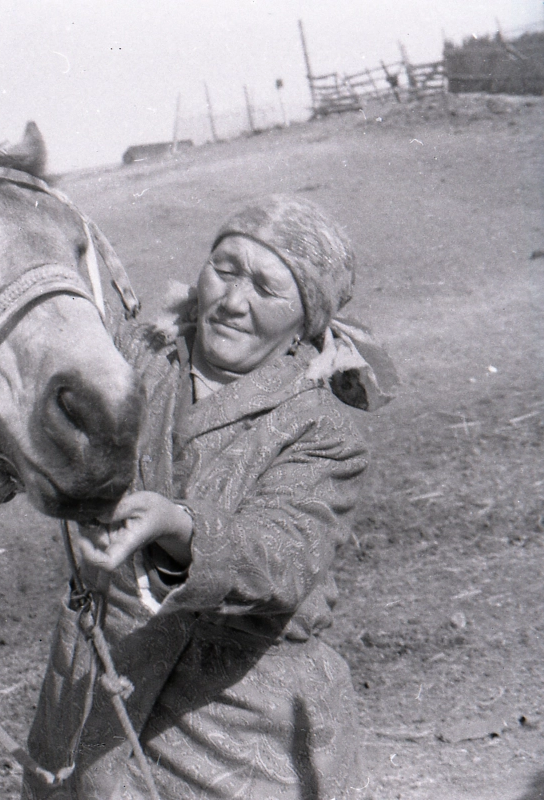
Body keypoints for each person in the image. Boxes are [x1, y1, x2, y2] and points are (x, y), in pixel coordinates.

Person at [24, 195, 394, 800]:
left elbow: (283, 555)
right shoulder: (131, 357)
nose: (232, 301)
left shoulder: (323, 431)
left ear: (305, 319)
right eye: (224, 268)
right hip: (93, 695)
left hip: (234, 727)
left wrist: (177, 525)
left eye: (266, 289)